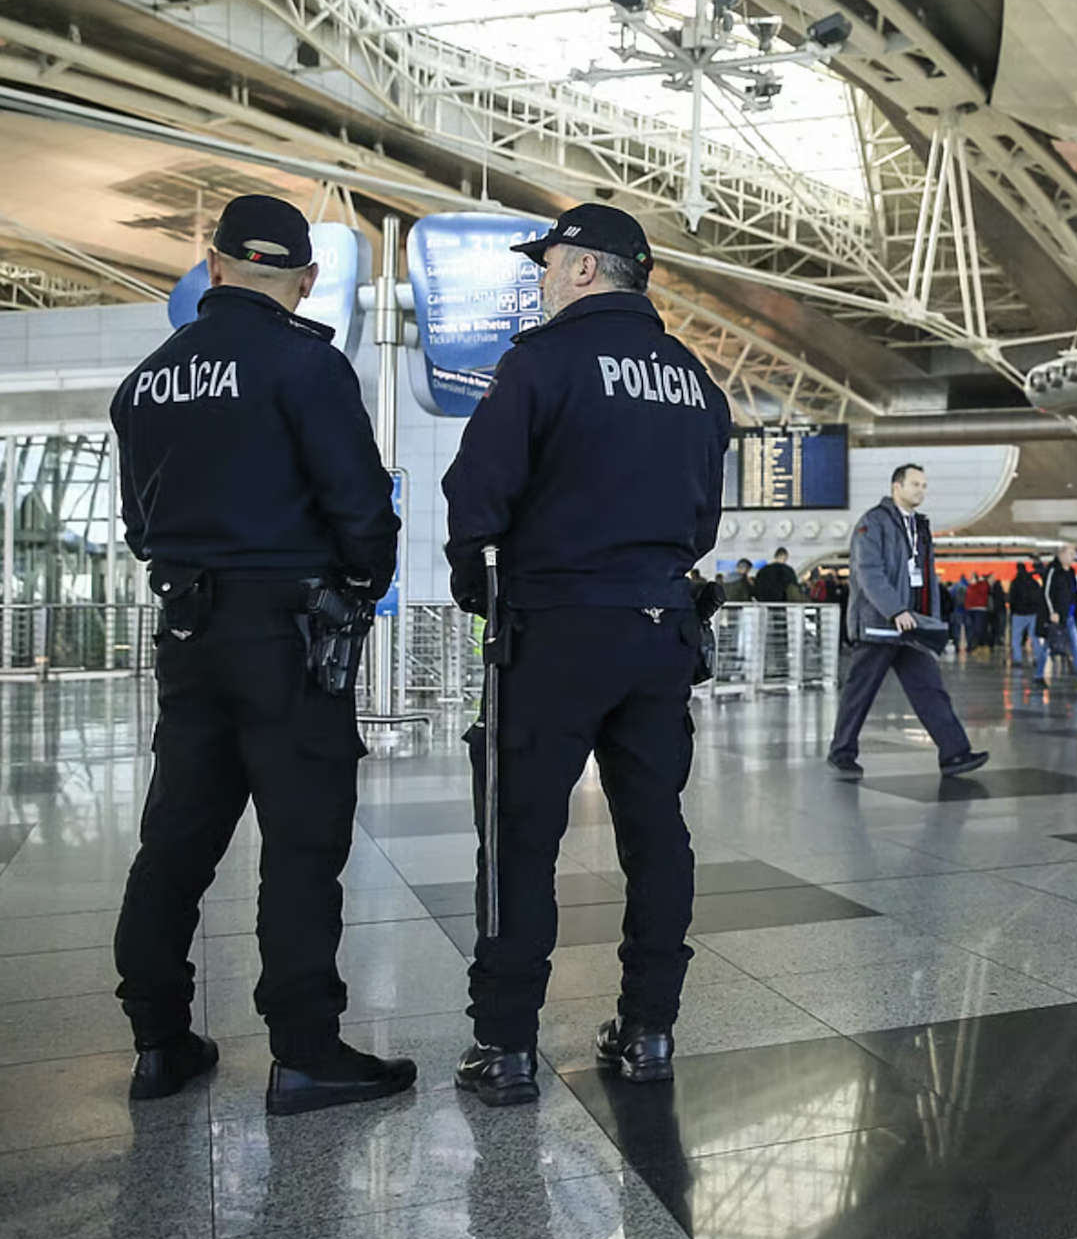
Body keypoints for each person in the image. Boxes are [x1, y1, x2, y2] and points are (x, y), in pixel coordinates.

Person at [110, 194, 416, 1115]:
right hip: (290, 633)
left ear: (212, 266)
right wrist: (357, 589)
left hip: (189, 631)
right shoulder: (304, 366)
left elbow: (136, 524)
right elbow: (362, 506)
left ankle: (161, 1040)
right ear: (306, 279)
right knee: (300, 840)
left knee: (175, 840)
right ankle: (306, 1049)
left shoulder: (147, 381)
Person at [443, 203, 732, 1105]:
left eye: (548, 264)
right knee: (657, 834)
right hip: (660, 630)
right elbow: (701, 521)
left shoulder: (541, 360)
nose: (540, 279)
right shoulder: (696, 380)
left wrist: (476, 586)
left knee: (520, 837)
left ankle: (507, 1046)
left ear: (580, 270)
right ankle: (648, 1029)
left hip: (556, 630)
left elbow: (476, 494)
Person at [827, 465, 990, 779]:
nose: (921, 490)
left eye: (925, 485)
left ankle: (955, 753)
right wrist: (894, 610)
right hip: (880, 625)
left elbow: (925, 577)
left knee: (930, 689)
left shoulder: (918, 526)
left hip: (910, 626)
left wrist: (926, 619)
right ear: (896, 487)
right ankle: (841, 752)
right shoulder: (873, 523)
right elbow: (869, 572)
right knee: (859, 692)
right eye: (915, 484)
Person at [1034, 545, 1077, 688]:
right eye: (1070, 554)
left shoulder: (1070, 572)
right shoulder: (1053, 571)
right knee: (1047, 646)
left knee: (1075, 647)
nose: (1073, 557)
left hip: (1068, 616)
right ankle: (1038, 675)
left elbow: (1072, 593)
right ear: (1061, 554)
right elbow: (1047, 593)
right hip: (1056, 617)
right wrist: (1052, 612)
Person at [1008, 562, 1043, 665]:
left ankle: (1018, 659)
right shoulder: (1033, 582)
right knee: (1034, 637)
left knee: (1016, 638)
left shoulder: (1015, 582)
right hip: (1033, 613)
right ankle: (1038, 658)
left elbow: (1012, 598)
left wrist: (1012, 610)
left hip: (1018, 614)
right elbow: (1039, 597)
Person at [964, 573, 992, 652]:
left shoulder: (980, 585)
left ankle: (975, 644)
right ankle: (972, 645)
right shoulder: (971, 587)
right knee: (972, 628)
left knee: (977, 628)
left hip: (978, 609)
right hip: (973, 609)